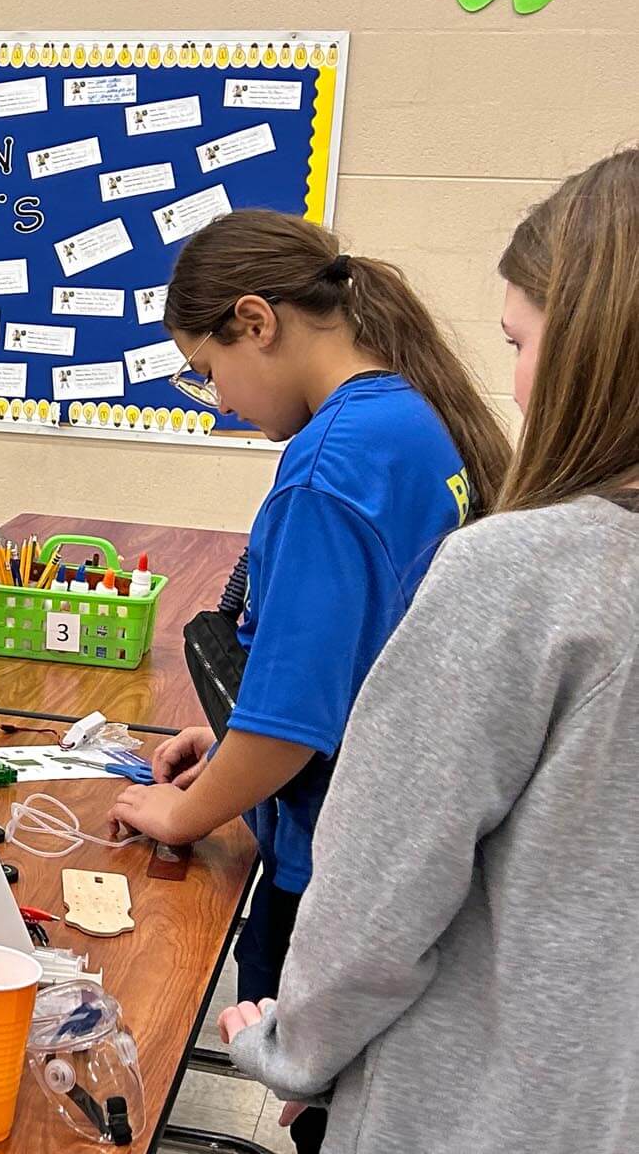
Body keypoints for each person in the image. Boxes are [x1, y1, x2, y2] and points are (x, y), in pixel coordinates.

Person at [219, 149, 639, 1152]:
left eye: (523, 341)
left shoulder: (530, 569)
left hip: (478, 1105)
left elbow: (380, 893)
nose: (520, 383)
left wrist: (291, 1043)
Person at [106, 210, 511, 1151]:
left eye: (206, 371)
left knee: (315, 1118)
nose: (219, 401)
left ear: (256, 321)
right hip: (396, 846)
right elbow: (357, 661)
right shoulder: (414, 419)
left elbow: (291, 726)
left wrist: (181, 813)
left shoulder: (326, 468)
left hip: (330, 866)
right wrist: (234, 741)